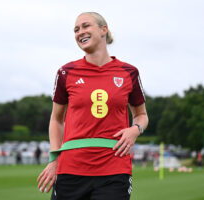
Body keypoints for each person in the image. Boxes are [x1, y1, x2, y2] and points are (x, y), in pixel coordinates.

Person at [37, 12, 149, 200]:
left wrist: (135, 130)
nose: (80, 32)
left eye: (86, 26)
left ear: (103, 29)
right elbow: (56, 120)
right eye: (76, 29)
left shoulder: (129, 72)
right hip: (71, 169)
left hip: (114, 170)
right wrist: (54, 159)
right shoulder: (66, 72)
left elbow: (142, 115)